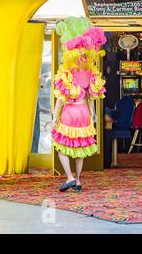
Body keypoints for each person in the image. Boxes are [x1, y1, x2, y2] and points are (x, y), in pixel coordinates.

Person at [51, 17, 106, 192]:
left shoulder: (68, 70)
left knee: (61, 145)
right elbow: (91, 96)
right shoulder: (90, 71)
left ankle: (69, 177)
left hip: (70, 111)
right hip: (84, 111)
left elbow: (61, 97)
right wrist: (93, 115)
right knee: (80, 146)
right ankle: (79, 180)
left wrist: (54, 115)